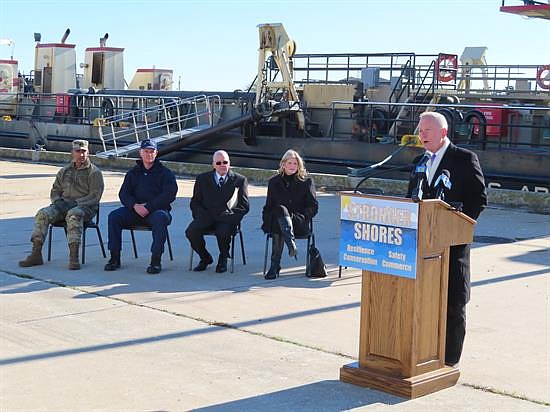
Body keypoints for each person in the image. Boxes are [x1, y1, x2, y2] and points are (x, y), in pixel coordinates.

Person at [407, 111, 487, 366]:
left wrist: (458, 228)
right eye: (420, 130)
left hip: (452, 247)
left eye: (426, 131)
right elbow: (411, 196)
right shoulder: (419, 161)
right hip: (423, 247)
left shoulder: (464, 159)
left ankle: (450, 360)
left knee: (453, 304)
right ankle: (425, 354)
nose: (421, 135)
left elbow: (478, 199)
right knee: (425, 302)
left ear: (443, 132)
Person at [19, 139, 104, 270]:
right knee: (43, 214)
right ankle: (36, 254)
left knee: (73, 215)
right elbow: (55, 190)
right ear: (72, 153)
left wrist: (77, 203)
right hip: (62, 205)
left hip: (85, 208)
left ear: (88, 152)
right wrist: (57, 202)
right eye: (78, 151)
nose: (81, 155)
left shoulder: (94, 172)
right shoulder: (64, 171)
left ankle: (73, 257)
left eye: (83, 151)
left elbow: (95, 196)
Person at [104, 139, 177, 274]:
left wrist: (149, 207)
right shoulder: (133, 172)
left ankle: (155, 261)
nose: (149, 154)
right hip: (135, 211)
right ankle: (114, 258)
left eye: (151, 151)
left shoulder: (165, 173)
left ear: (156, 153)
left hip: (156, 211)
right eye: (146, 151)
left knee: (160, 219)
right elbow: (124, 194)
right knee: (114, 216)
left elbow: (169, 194)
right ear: (140, 153)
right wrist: (134, 206)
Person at [186, 150, 249, 273]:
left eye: (225, 162)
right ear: (213, 165)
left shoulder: (239, 180)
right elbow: (195, 202)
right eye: (218, 162)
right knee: (191, 231)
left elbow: (244, 206)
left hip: (226, 219)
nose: (222, 165)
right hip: (206, 217)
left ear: (229, 163)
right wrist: (200, 215)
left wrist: (231, 217)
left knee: (223, 232)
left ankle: (223, 257)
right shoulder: (202, 179)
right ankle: (205, 257)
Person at [262, 149, 319, 280]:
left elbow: (313, 206)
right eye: (290, 163)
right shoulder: (274, 182)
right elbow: (268, 206)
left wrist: (303, 217)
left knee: (280, 220)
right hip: (277, 222)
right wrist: (267, 219)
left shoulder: (307, 181)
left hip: (298, 222)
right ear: (283, 164)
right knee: (279, 212)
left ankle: (274, 266)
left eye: (295, 163)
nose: (293, 166)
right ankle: (290, 244)